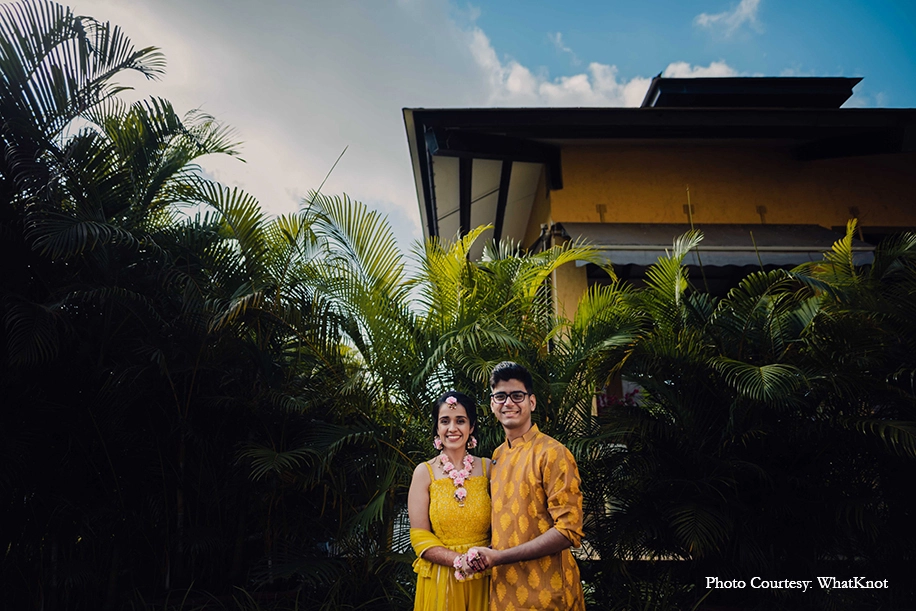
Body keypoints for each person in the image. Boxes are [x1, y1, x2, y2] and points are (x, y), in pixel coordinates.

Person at [468, 361, 585, 610]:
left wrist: (499, 557)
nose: (508, 403)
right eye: (500, 396)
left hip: (548, 595)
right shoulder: (497, 456)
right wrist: (486, 553)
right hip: (502, 594)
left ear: (531, 402)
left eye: (517, 395)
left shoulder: (553, 453)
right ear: (492, 405)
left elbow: (568, 531)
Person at [408, 391, 491, 611]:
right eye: (445, 421)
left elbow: (507, 520)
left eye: (460, 421)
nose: (452, 428)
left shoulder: (489, 468)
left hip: (485, 574)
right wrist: (459, 560)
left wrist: (487, 555)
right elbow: (419, 536)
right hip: (441, 578)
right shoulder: (424, 472)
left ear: (471, 426)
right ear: (437, 427)